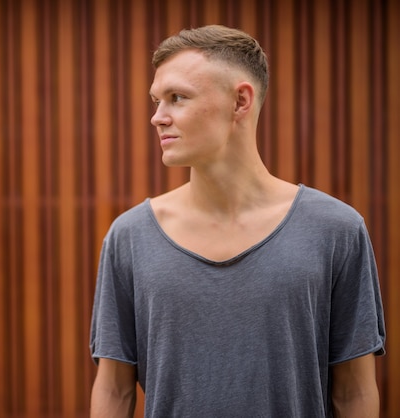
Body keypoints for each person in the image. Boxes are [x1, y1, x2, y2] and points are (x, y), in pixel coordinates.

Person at [89, 25, 385, 417]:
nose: (157, 117)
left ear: (240, 102)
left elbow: (354, 394)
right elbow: (114, 391)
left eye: (177, 98)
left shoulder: (336, 230)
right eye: (156, 100)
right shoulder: (130, 237)